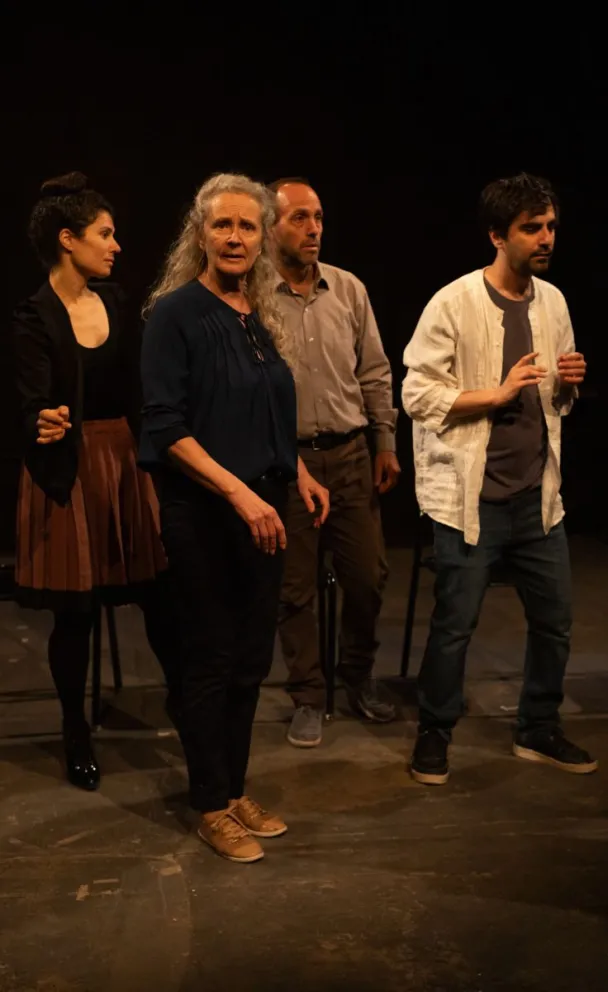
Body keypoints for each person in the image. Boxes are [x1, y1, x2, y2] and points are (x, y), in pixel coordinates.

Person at [140, 173, 329, 864]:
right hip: (206, 515)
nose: (235, 237)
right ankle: (210, 806)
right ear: (200, 233)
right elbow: (166, 428)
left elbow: (265, 409)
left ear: (261, 237)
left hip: (264, 513)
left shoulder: (257, 313)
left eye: (247, 226)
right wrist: (240, 495)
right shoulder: (175, 315)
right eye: (222, 224)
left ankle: (234, 787)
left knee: (251, 661)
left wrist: (296, 471)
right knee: (211, 661)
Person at [402, 173, 597, 785]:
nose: (546, 238)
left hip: (537, 496)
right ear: (496, 235)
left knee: (554, 623)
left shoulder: (553, 302)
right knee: (454, 627)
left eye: (551, 226)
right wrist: (497, 393)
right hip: (472, 500)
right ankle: (435, 732)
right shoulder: (453, 303)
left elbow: (554, 404)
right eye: (531, 228)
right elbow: (416, 394)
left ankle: (537, 727)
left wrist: (568, 384)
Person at [12, 172, 181, 792]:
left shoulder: (118, 303)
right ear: (68, 239)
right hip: (70, 468)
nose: (115, 246)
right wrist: (43, 421)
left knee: (160, 596)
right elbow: (30, 400)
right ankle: (74, 730)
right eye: (104, 234)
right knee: (76, 614)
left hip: (123, 460)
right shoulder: (34, 315)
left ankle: (188, 704)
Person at [268, 178, 401, 748]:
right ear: (271, 227)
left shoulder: (347, 289)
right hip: (288, 462)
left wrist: (385, 441)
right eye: (299, 218)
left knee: (368, 577)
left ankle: (357, 675)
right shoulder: (255, 297)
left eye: (318, 217)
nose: (313, 228)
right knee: (294, 587)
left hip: (349, 455)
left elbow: (374, 371)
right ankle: (307, 695)